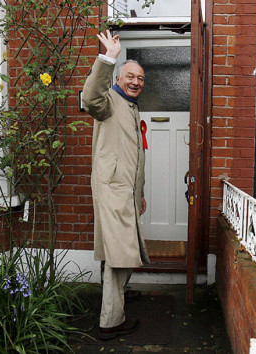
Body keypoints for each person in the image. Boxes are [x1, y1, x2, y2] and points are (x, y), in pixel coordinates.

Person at [82, 30, 150, 340]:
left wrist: (141, 192)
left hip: (125, 191)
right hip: (112, 190)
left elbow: (133, 156)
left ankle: (118, 295)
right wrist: (108, 57)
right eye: (130, 76)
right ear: (119, 78)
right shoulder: (108, 101)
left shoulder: (131, 107)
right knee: (120, 251)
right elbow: (89, 97)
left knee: (123, 248)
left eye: (141, 79)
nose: (136, 82)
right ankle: (110, 321)